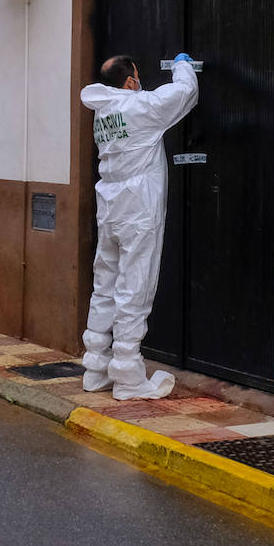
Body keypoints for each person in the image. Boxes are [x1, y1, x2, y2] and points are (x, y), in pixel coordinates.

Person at [80, 53, 199, 400]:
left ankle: (96, 368)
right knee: (135, 287)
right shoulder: (140, 107)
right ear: (130, 81)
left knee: (105, 285)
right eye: (138, 75)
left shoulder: (103, 111)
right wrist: (182, 65)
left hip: (111, 206)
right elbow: (185, 93)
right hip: (139, 208)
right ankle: (128, 375)